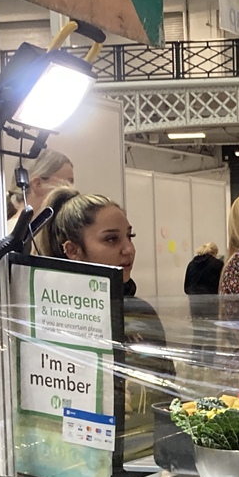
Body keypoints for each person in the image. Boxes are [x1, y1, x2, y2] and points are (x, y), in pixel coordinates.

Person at [34, 187, 175, 460]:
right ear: (73, 250)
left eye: (130, 236)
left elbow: (167, 390)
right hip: (70, 466)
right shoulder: (43, 313)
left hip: (141, 463)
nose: (128, 249)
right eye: (111, 239)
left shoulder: (139, 313)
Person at [7, 148, 74, 230]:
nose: (72, 190)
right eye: (67, 183)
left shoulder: (48, 230)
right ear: (38, 184)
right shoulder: (12, 233)